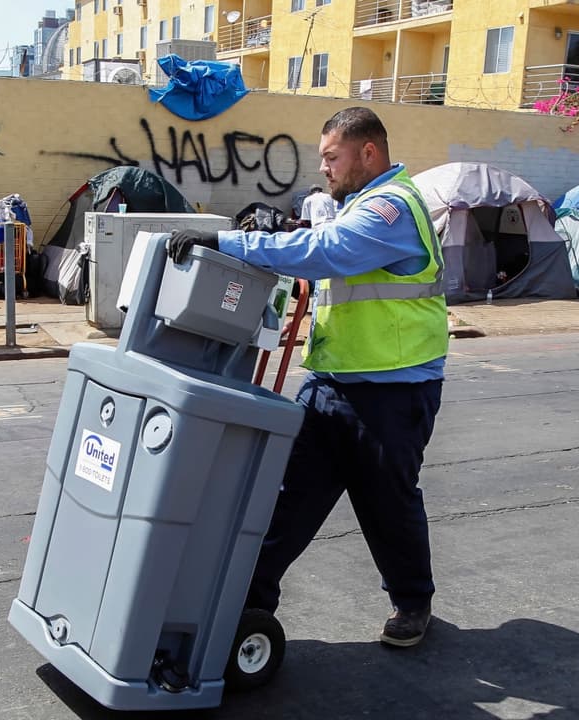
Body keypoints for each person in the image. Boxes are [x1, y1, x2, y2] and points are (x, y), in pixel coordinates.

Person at [167, 106, 447, 649]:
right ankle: (246, 608)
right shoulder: (359, 205)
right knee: (285, 499)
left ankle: (413, 602)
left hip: (394, 389)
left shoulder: (393, 207)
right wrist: (282, 228)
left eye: (331, 158)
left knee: (388, 504)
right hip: (331, 383)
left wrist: (229, 243)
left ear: (368, 153)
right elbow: (322, 240)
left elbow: (330, 252)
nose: (324, 170)